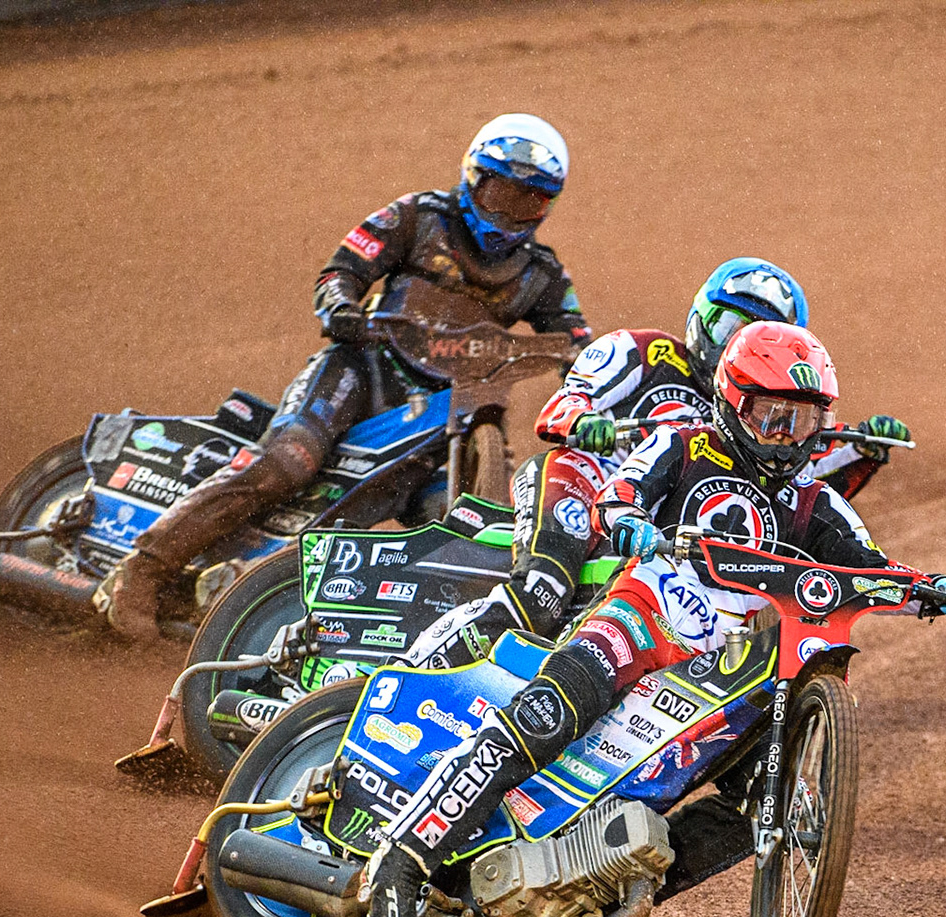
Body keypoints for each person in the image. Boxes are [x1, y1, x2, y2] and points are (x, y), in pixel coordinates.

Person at [360, 321, 946, 917]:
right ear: (733, 402)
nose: (786, 438)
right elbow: (621, 492)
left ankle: (599, 895)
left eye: (802, 422)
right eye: (772, 416)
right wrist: (628, 521)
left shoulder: (816, 505)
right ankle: (403, 859)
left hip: (715, 666)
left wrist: (939, 592)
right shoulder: (682, 444)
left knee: (758, 805)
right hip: (638, 618)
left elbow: (873, 573)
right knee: (548, 712)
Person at [106, 113, 592, 641]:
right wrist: (340, 306)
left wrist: (593, 381)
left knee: (459, 522)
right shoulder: (418, 216)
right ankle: (141, 572)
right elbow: (342, 269)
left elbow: (579, 339)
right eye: (502, 193)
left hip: (446, 413)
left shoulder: (542, 273)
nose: (512, 212)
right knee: (289, 463)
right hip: (363, 372)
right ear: (475, 178)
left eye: (530, 201)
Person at [395, 258, 914, 668]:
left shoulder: (754, 409)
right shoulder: (637, 351)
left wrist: (859, 455)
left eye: (757, 333)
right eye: (732, 324)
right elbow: (562, 408)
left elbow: (789, 497)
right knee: (542, 592)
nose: (739, 342)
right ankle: (420, 667)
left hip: (665, 534)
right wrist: (585, 424)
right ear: (701, 317)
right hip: (584, 481)